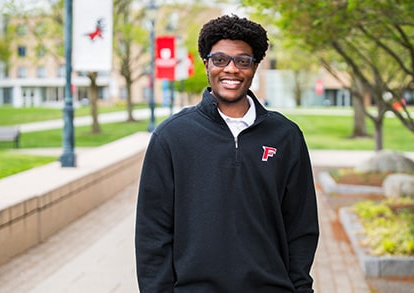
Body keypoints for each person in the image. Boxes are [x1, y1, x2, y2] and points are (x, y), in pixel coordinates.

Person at [135, 14, 319, 292]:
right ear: (206, 63)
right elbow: (153, 232)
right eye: (220, 59)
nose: (231, 69)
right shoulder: (172, 136)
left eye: (243, 61)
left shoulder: (286, 136)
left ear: (254, 67)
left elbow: (301, 226)